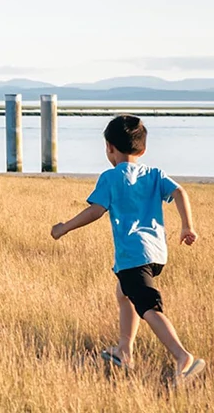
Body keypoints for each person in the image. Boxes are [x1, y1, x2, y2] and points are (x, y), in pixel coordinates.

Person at [50, 114, 204, 383]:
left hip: (133, 256)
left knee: (148, 308)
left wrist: (64, 227)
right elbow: (181, 192)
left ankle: (183, 357)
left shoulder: (111, 177)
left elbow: (95, 211)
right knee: (124, 294)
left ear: (109, 147)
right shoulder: (155, 174)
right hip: (156, 254)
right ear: (143, 149)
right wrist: (186, 226)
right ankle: (125, 351)